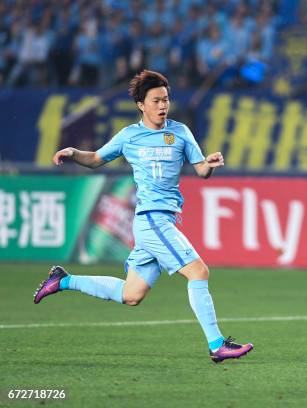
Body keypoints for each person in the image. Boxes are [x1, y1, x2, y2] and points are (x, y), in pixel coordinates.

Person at [33, 70, 253, 363]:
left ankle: (63, 280)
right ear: (141, 104)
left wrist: (210, 164)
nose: (163, 105)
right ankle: (216, 345)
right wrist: (74, 152)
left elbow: (201, 171)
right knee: (199, 271)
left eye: (166, 99)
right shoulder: (129, 136)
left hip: (163, 220)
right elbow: (97, 159)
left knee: (131, 294)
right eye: (156, 100)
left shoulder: (181, 132)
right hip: (152, 219)